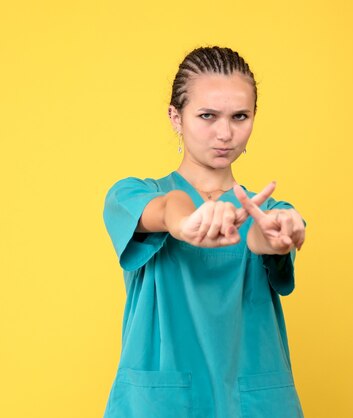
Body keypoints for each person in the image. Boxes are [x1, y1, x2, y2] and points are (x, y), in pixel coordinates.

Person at [102, 46, 307, 418]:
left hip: (255, 405)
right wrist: (183, 223)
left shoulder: (267, 213)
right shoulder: (133, 195)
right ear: (175, 117)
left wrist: (278, 236)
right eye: (207, 116)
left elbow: (263, 239)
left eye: (240, 116)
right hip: (160, 405)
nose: (225, 133)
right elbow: (166, 210)